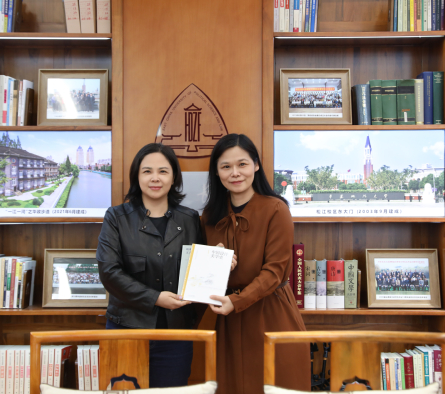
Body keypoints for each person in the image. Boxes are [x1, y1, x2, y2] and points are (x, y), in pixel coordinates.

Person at [96, 143, 215, 388]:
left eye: (163, 171)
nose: (155, 178)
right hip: (126, 329)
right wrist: (155, 298)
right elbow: (109, 272)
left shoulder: (190, 218)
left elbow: (198, 270)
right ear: (137, 176)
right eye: (147, 171)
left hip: (176, 333)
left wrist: (218, 259)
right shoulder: (116, 217)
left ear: (174, 177)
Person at [201, 133, 311, 394]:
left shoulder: (276, 209)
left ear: (256, 165)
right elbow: (201, 272)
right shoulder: (209, 215)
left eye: (242, 164)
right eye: (226, 166)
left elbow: (275, 272)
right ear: (216, 172)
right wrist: (211, 260)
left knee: (274, 384)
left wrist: (237, 301)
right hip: (224, 317)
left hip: (269, 312)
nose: (235, 173)